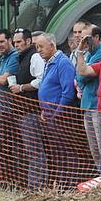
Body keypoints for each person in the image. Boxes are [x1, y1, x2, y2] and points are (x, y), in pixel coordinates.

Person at [26, 31, 77, 189]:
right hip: (48, 116)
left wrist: (56, 113)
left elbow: (67, 93)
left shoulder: (63, 63)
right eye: (37, 47)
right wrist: (44, 110)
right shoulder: (49, 62)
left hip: (61, 118)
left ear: (52, 45)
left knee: (65, 151)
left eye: (41, 46)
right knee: (56, 152)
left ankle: (69, 185)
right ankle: (61, 185)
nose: (38, 50)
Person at [73, 24, 101, 186]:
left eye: (87, 38)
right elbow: (78, 76)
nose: (83, 41)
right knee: (94, 147)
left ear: (97, 37)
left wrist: (80, 69)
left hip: (97, 105)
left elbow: (82, 76)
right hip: (87, 104)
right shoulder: (89, 54)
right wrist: (80, 52)